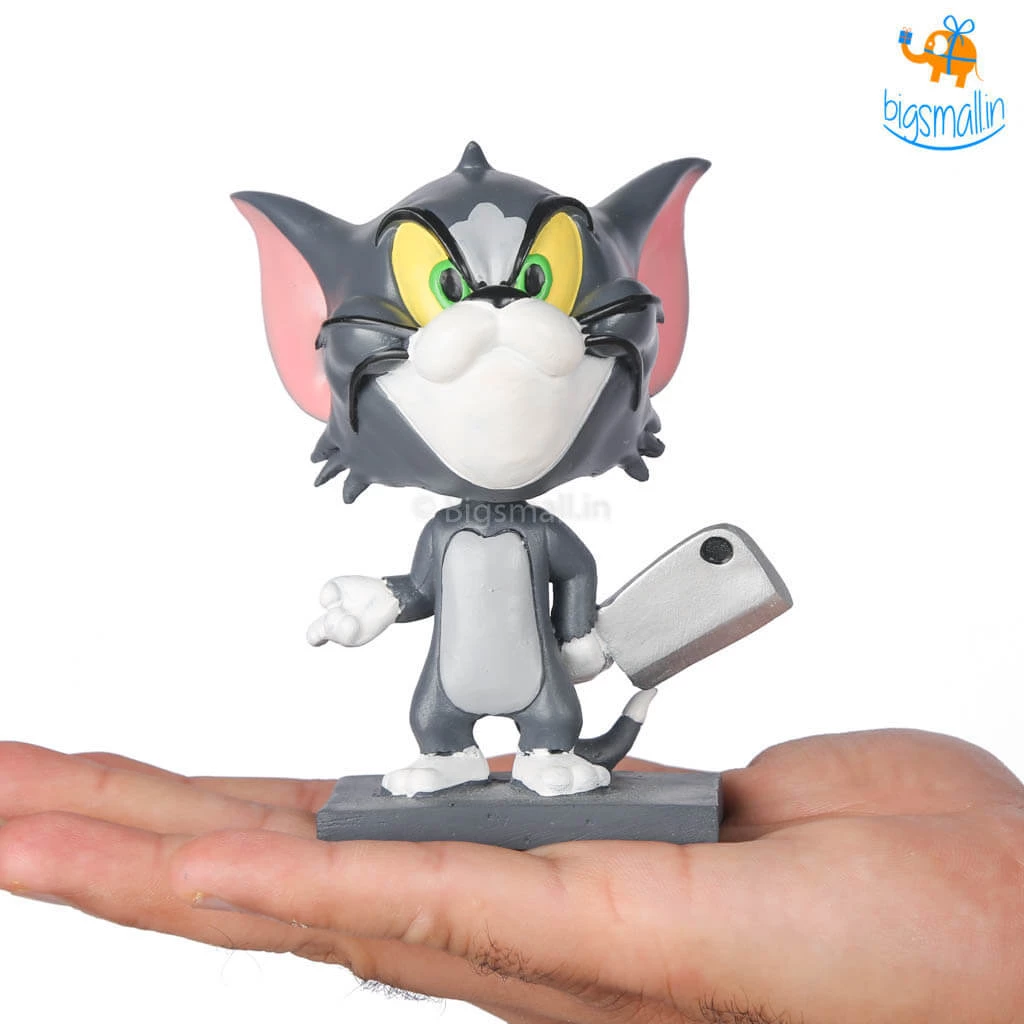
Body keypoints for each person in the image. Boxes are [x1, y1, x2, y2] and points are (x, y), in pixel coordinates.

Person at [1, 729, 1022, 1023]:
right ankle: (455, 754)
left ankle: (544, 752)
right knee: (444, 715)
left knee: (549, 722)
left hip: (550, 714)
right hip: (453, 703)